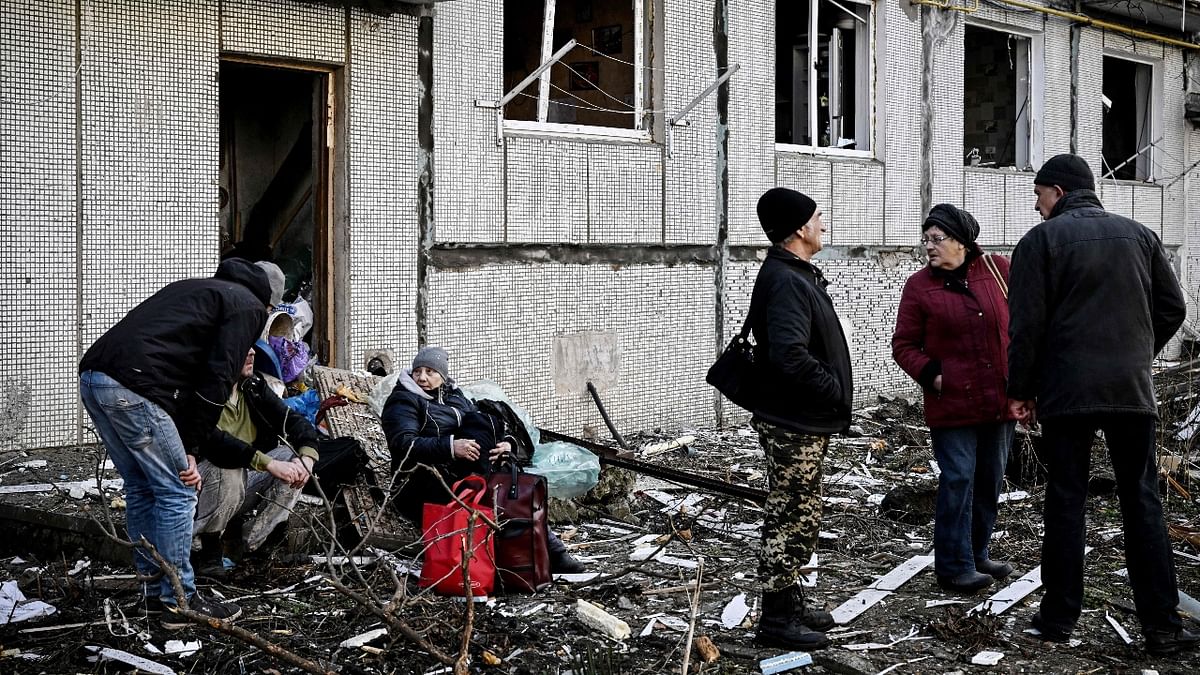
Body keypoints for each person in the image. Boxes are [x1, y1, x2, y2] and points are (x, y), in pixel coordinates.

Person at [1008, 154, 1197, 655]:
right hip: (1130, 392)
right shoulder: (1139, 235)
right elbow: (1173, 308)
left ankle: (1057, 621)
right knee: (1141, 500)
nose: (1037, 204)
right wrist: (1136, 356)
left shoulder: (1039, 243)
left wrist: (1021, 389)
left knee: (1066, 498)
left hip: (1067, 395)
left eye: (1040, 194)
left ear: (1059, 193)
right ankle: (1162, 627)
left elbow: (1026, 326)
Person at [78, 258, 271, 628]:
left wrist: (186, 440)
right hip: (135, 386)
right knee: (178, 491)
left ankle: (153, 595)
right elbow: (216, 381)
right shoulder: (247, 306)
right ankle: (178, 599)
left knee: (142, 488)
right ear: (266, 303)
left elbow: (184, 374)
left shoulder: (200, 290)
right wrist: (192, 450)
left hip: (95, 377)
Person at [747, 188, 853, 651]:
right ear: (797, 230)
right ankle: (776, 620)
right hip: (793, 422)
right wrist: (832, 389)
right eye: (816, 217)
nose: (823, 224)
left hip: (800, 420)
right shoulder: (788, 280)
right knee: (791, 514)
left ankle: (790, 605)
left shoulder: (794, 273)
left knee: (801, 511)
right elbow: (789, 354)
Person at [892, 204, 1017, 594]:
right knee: (958, 478)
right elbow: (904, 345)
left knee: (989, 480)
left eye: (937, 239)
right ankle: (953, 565)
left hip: (998, 398)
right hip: (952, 401)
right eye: (925, 239)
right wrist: (935, 376)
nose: (929, 246)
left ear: (962, 242)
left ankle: (977, 552)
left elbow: (1022, 324)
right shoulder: (919, 286)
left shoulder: (998, 270)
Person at [380, 346, 585, 574]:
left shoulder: (455, 397)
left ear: (443, 375)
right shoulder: (403, 400)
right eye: (418, 371)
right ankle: (547, 555)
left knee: (484, 425)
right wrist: (451, 447)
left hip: (457, 472)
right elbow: (403, 443)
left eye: (430, 372)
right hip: (420, 481)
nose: (422, 377)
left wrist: (508, 443)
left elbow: (489, 427)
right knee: (497, 493)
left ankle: (545, 555)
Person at [191, 348, 316, 580]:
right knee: (226, 466)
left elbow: (294, 421)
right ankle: (204, 551)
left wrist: (306, 458)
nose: (251, 352)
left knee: (293, 461)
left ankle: (253, 544)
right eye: (242, 344)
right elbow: (216, 444)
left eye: (251, 344)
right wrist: (267, 463)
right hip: (199, 491)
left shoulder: (253, 386)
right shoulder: (202, 392)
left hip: (240, 484)